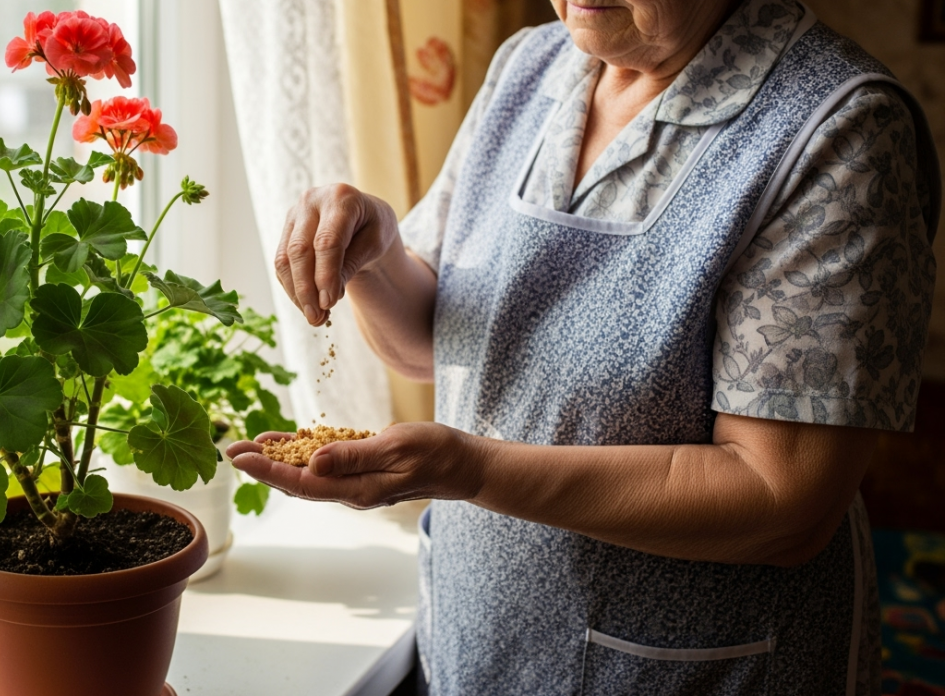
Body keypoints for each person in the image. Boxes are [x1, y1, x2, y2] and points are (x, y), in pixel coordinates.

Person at [226, 0, 941, 693]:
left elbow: (783, 502)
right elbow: (431, 346)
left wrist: (470, 470)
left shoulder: (839, 131)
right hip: (482, 642)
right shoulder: (531, 66)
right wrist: (375, 254)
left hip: (695, 670)